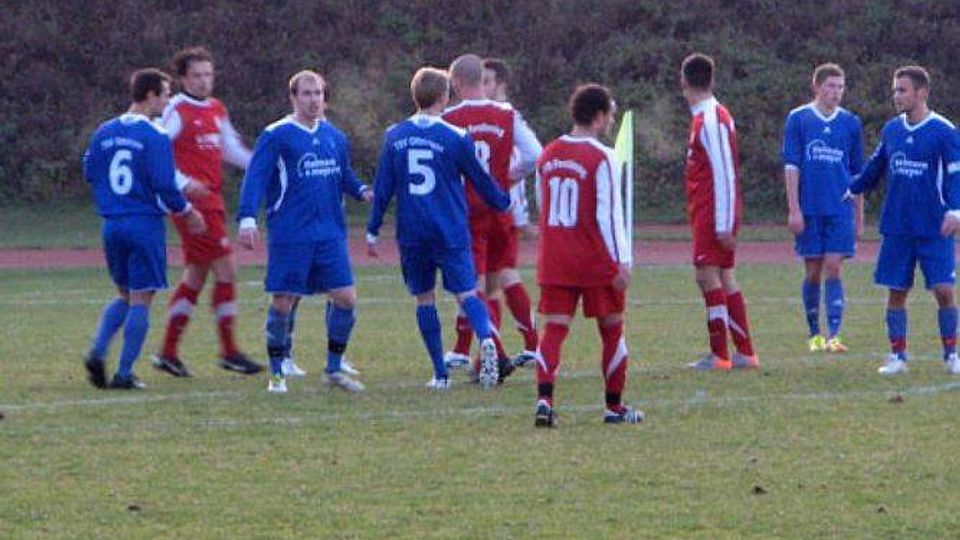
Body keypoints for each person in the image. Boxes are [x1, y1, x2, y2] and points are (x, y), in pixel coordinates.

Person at [367, 67, 511, 390]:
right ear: (445, 97)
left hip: (413, 230)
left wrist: (373, 229)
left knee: (424, 298)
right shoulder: (457, 137)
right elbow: (480, 179)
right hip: (450, 228)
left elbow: (383, 187)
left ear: (414, 96)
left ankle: (440, 374)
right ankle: (486, 337)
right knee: (465, 292)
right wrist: (503, 202)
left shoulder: (394, 136)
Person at [237, 70, 372, 394]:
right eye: (307, 94)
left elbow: (344, 175)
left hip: (330, 233)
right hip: (291, 233)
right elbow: (256, 177)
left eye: (319, 94)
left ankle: (333, 368)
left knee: (345, 298)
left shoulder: (335, 137)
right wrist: (247, 218)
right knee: (283, 301)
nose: (314, 100)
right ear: (293, 98)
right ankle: (277, 374)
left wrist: (362, 190)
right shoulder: (276, 135)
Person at [83, 68, 206, 390]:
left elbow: (89, 170)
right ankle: (124, 373)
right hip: (144, 223)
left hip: (112, 224)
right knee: (142, 298)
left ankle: (97, 351)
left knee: (124, 293)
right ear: (150, 95)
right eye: (165, 95)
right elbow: (165, 184)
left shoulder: (104, 131)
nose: (167, 102)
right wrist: (188, 211)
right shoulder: (154, 135)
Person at [532, 83, 642, 427]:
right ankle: (614, 407)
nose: (611, 120)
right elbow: (608, 216)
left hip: (555, 256)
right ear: (597, 116)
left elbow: (542, 203)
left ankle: (544, 401)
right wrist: (620, 261)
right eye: (609, 113)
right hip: (594, 258)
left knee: (554, 330)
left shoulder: (547, 154)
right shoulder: (602, 157)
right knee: (612, 329)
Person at [152, 46, 263, 378]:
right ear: (183, 78)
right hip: (194, 206)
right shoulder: (175, 108)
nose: (203, 81)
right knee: (227, 270)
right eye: (197, 75)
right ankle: (229, 351)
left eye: (208, 74)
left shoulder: (216, 108)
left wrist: (263, 165)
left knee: (196, 276)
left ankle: (168, 353)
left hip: (212, 201)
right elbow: (157, 154)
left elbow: (231, 149)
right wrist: (183, 183)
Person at [847, 65, 960, 376]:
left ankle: (951, 354)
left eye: (902, 90)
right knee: (896, 291)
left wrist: (955, 211)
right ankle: (897, 357)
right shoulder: (892, 130)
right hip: (898, 225)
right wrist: (852, 187)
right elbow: (876, 165)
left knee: (943, 289)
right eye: (895, 90)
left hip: (934, 226)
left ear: (921, 93)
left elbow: (955, 175)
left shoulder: (944, 131)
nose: (896, 95)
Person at [442, 54, 542, 377]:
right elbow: (535, 156)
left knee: (474, 288)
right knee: (498, 281)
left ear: (455, 83)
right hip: (500, 209)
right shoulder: (507, 114)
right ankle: (507, 349)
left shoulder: (449, 117)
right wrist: (508, 177)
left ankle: (494, 355)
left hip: (468, 212)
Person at [680, 53, 759, 371]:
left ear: (683, 81)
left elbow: (726, 173)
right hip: (709, 210)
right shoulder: (707, 116)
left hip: (714, 214)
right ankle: (744, 352)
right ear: (711, 79)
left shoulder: (711, 118)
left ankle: (719, 354)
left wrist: (725, 224)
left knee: (706, 276)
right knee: (724, 276)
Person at [782, 63, 865, 353]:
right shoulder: (799, 119)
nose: (836, 92)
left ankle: (835, 335)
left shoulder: (851, 123)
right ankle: (814, 334)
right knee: (813, 270)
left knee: (833, 266)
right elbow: (792, 166)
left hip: (840, 208)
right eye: (831, 86)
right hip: (810, 207)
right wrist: (794, 209)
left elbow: (858, 173)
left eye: (840, 87)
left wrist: (859, 217)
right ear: (817, 87)